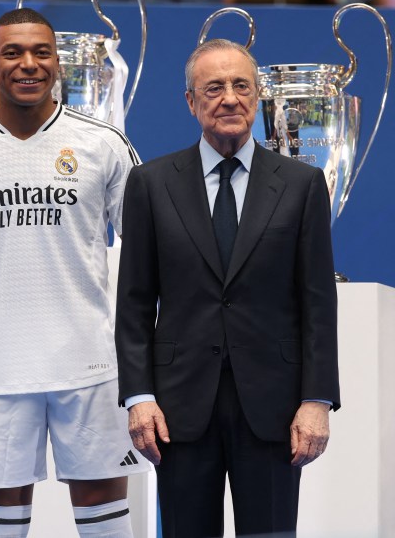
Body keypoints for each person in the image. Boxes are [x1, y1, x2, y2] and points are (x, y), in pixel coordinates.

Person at [0, 8, 146, 538]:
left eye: (41, 52)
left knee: (106, 528)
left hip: (92, 366)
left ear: (58, 63)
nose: (28, 64)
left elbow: (146, 250)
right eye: (12, 53)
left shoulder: (105, 145)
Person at [115, 38, 340, 537]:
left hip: (275, 405)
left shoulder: (302, 184)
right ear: (191, 101)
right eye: (213, 87)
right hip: (177, 407)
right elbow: (132, 303)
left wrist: (317, 401)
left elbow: (318, 305)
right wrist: (138, 397)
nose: (229, 98)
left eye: (241, 85)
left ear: (258, 96)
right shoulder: (149, 184)